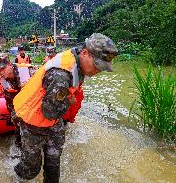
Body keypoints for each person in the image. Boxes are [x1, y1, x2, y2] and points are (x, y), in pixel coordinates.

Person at [12, 33, 118, 182]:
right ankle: (15, 177)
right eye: (97, 65)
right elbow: (49, 112)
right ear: (85, 52)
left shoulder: (77, 61)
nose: (97, 71)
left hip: (54, 121)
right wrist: (69, 100)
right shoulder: (61, 75)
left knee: (54, 165)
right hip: (33, 121)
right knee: (31, 170)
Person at [0, 53, 34, 148]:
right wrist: (13, 114)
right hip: (17, 101)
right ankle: (18, 147)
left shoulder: (28, 71)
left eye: (3, 68)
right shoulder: (1, 78)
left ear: (10, 65)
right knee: (17, 125)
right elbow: (9, 99)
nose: (0, 72)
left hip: (33, 102)